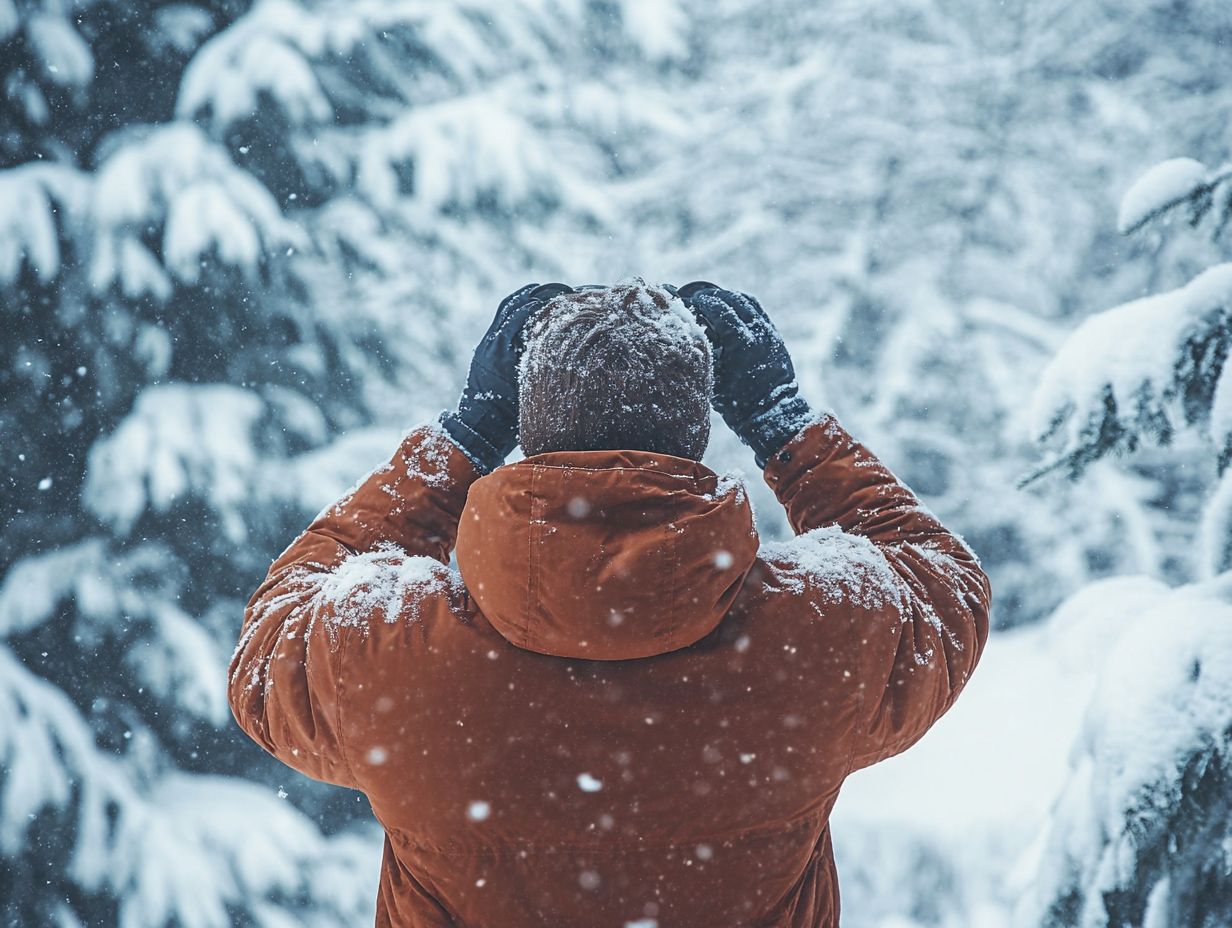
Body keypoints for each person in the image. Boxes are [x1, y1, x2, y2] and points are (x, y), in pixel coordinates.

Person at [230, 279, 990, 928]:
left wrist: (462, 439)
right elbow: (944, 583)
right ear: (697, 432)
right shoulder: (821, 633)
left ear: (527, 429)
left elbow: (268, 647)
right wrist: (784, 423)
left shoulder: (386, 648)